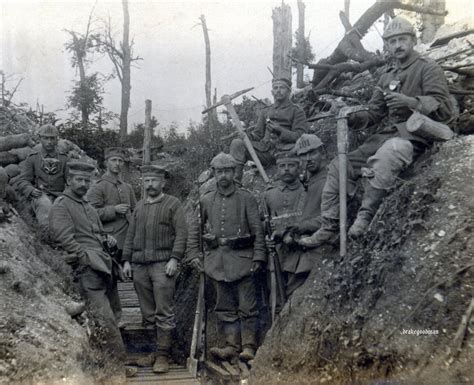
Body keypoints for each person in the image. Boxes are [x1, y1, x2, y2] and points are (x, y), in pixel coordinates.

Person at [299, 16, 455, 248]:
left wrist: (410, 102)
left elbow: (443, 108)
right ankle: (329, 226)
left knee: (388, 153)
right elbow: (374, 113)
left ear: (412, 41)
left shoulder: (427, 68)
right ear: (387, 46)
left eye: (402, 39)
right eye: (392, 42)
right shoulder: (387, 75)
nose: (397, 46)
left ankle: (365, 215)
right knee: (339, 165)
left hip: (420, 134)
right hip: (389, 134)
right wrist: (350, 116)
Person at [49, 161, 135, 382]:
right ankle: (115, 372)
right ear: (69, 180)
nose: (83, 184)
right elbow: (62, 237)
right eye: (79, 179)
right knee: (104, 320)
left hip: (104, 267)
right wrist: (84, 257)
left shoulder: (87, 206)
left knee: (116, 317)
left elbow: (96, 232)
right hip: (88, 269)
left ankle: (116, 365)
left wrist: (107, 239)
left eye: (87, 180)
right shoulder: (62, 205)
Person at [187, 152, 266, 362]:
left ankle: (249, 346)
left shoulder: (246, 198)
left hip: (243, 259)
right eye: (219, 171)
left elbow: (257, 230)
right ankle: (230, 345)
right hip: (217, 262)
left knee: (248, 307)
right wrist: (194, 254)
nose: (223, 175)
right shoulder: (205, 200)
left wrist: (258, 256)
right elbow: (194, 229)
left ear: (234, 173)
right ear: (214, 173)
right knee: (224, 306)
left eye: (227, 171)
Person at [122, 165, 187, 374]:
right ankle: (153, 351)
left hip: (162, 266)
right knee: (147, 313)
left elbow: (182, 234)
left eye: (154, 180)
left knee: (164, 312)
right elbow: (130, 236)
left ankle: (163, 355)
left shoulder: (173, 204)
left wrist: (174, 259)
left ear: (163, 183)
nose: (150, 184)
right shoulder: (139, 207)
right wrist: (126, 261)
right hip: (140, 266)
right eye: (147, 180)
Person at [262, 144, 326, 297]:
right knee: (275, 296)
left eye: (291, 165)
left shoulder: (307, 190)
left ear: (299, 167)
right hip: (276, 254)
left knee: (295, 293)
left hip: (299, 252)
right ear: (277, 169)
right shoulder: (268, 195)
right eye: (282, 166)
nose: (286, 169)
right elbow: (262, 225)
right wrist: (267, 237)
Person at [229, 78, 308, 181]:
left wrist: (280, 130)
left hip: (286, 151)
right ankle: (235, 182)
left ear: (289, 91)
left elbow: (301, 136)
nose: (278, 90)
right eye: (275, 88)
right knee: (237, 143)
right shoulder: (266, 111)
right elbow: (257, 134)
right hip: (265, 152)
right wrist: (246, 135)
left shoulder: (296, 111)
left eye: (282, 88)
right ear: (272, 92)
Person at [17, 124, 68, 231]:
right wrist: (30, 190)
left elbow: (71, 181)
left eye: (52, 138)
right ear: (40, 139)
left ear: (56, 140)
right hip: (40, 194)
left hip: (60, 195)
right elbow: (23, 180)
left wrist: (67, 194)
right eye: (45, 138)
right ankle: (47, 234)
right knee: (44, 204)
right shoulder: (33, 158)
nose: (49, 141)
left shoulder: (64, 159)